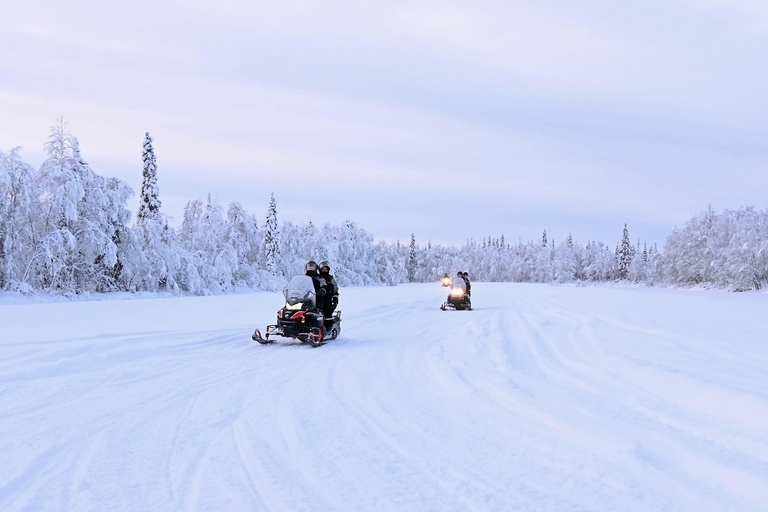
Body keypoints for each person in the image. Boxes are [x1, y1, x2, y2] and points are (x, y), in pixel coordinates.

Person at [303, 260, 327, 332]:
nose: (310, 269)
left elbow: (323, 284)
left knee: (318, 308)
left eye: (312, 267)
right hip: (305, 297)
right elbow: (299, 285)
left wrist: (322, 290)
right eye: (309, 267)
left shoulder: (319, 277)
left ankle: (320, 326)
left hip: (316, 297)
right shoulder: (304, 278)